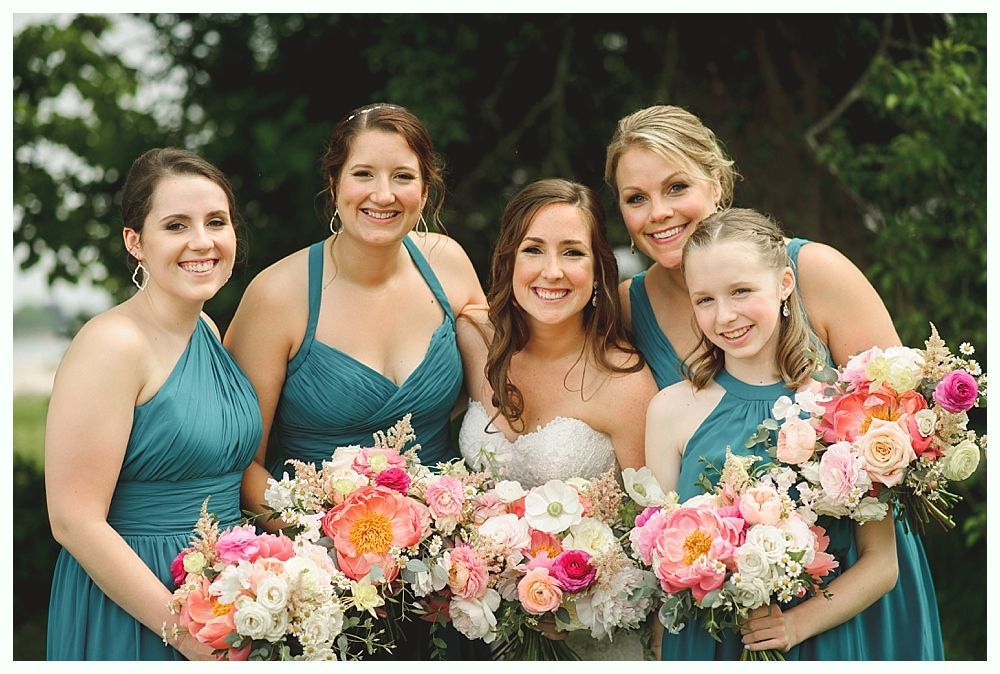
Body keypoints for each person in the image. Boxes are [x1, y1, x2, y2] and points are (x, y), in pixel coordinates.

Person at [606, 104, 944, 659]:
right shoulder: (628, 306)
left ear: (716, 182)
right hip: (721, 608)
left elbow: (903, 416)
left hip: (849, 580)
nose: (658, 213)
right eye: (635, 198)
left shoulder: (812, 269)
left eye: (676, 186)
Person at [224, 103, 486, 658]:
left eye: (403, 177)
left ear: (426, 187)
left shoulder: (450, 265)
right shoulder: (279, 296)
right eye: (364, 174)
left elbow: (497, 404)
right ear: (334, 183)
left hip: (446, 584)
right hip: (323, 588)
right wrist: (323, 552)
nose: (383, 194)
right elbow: (242, 462)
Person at [645, 208, 895, 659]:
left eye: (741, 291)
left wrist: (797, 624)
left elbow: (882, 564)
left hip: (818, 640)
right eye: (704, 299)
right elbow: (658, 562)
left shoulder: (839, 408)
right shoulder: (670, 412)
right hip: (709, 644)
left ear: (784, 284)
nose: (725, 316)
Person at [45, 148, 262, 660]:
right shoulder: (112, 344)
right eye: (176, 225)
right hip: (140, 605)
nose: (202, 242)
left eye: (216, 222)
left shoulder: (208, 330)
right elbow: (74, 521)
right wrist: (187, 636)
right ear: (135, 241)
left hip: (226, 596)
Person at [457, 178, 658, 660]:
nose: (552, 272)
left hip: (589, 640)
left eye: (572, 253)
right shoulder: (474, 337)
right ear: (508, 262)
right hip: (482, 634)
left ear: (597, 271)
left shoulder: (626, 382)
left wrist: (577, 600)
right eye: (533, 250)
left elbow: (650, 535)